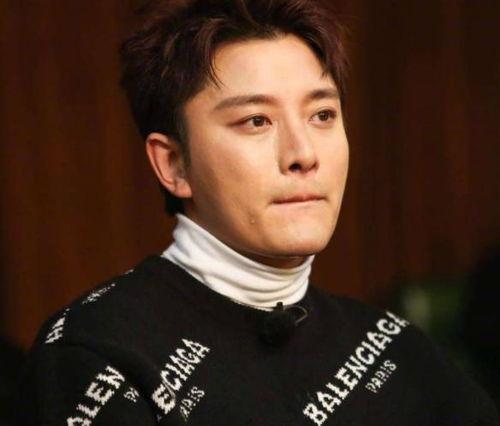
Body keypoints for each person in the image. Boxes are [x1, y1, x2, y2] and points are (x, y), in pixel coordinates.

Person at [16, 0, 499, 424]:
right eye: (256, 121)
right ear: (174, 164)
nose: (303, 153)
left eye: (322, 115)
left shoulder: (390, 346)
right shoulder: (100, 354)